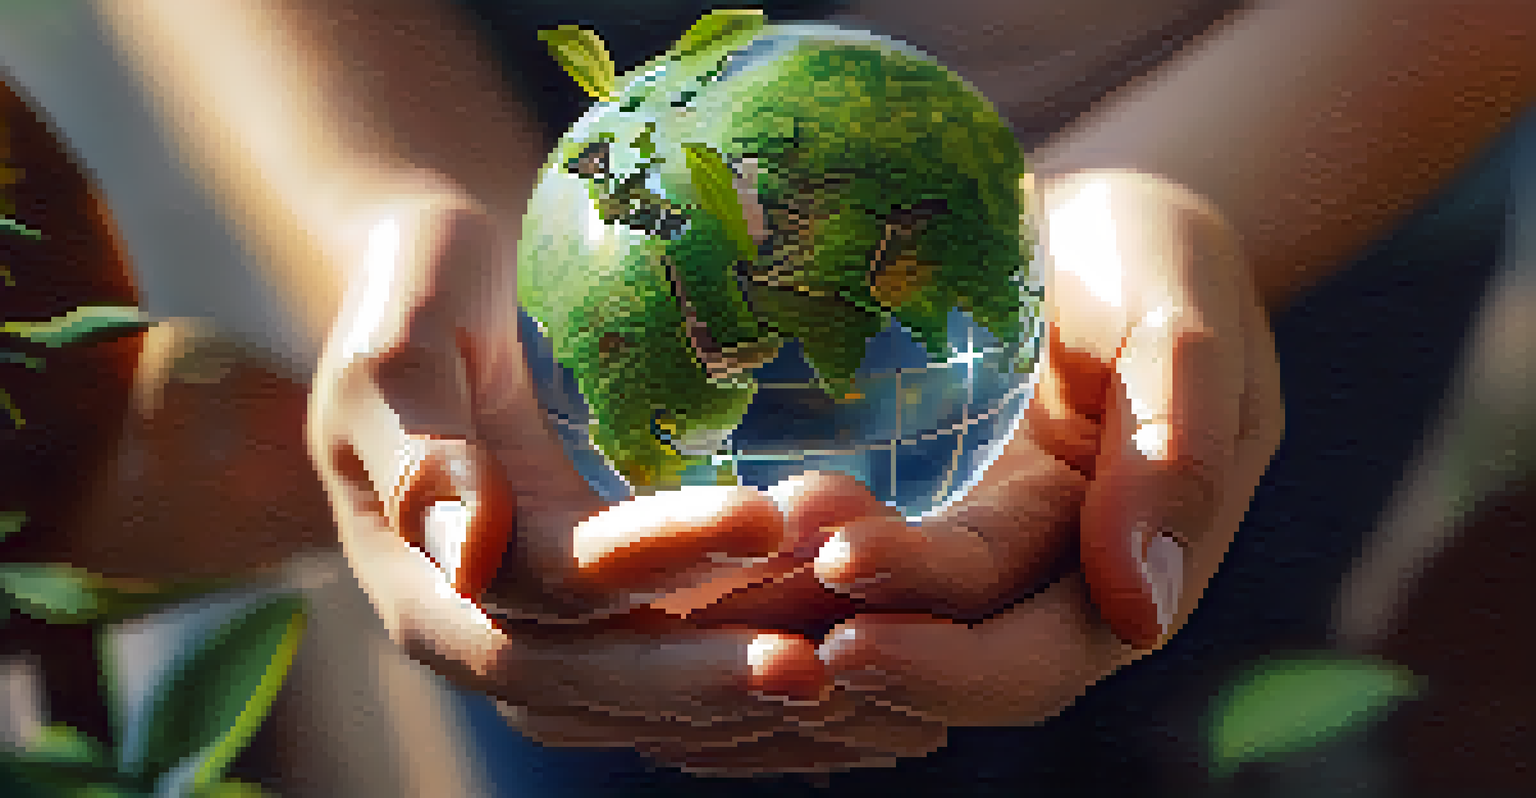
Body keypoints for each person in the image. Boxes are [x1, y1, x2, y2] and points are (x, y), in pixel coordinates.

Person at [1, 0, 1531, 782]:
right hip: (558, 215)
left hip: (1323, 155)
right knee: (611, 705)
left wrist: (1183, 191)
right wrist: (383, 191)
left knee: (1186, 646)